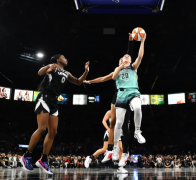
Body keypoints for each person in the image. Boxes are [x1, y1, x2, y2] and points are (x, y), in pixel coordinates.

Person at [21, 54, 89, 174]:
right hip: (44, 97)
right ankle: (27, 156)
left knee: (53, 132)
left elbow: (78, 82)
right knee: (42, 129)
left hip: (54, 101)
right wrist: (49, 66)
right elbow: (40, 73)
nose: (66, 58)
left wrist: (86, 72)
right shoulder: (53, 66)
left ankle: (44, 160)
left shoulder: (66, 73)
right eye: (64, 57)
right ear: (58, 60)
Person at [83, 34, 134, 165]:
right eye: (121, 60)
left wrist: (130, 41)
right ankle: (110, 150)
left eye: (124, 60)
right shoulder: (116, 72)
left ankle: (120, 153)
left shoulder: (129, 68)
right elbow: (102, 78)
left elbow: (129, 53)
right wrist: (90, 81)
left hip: (126, 96)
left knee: (122, 125)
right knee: (113, 124)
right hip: (116, 97)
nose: (123, 60)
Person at [112, 35, 146, 168]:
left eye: (128, 56)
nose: (127, 57)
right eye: (124, 57)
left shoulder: (133, 67)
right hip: (121, 94)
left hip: (133, 92)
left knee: (138, 108)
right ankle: (115, 147)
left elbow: (140, 56)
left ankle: (137, 131)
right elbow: (114, 77)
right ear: (120, 60)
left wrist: (142, 42)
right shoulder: (118, 70)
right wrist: (120, 66)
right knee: (119, 123)